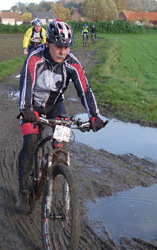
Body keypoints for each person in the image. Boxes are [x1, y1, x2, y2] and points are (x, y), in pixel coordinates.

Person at [17, 19, 106, 214]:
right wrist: (27, 109)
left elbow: (85, 90)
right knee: (31, 142)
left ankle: (54, 172)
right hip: (32, 106)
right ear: (48, 43)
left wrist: (94, 115)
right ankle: (23, 191)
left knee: (60, 142)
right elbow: (26, 83)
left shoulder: (72, 63)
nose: (63, 51)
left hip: (55, 105)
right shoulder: (35, 58)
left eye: (66, 47)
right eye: (58, 46)